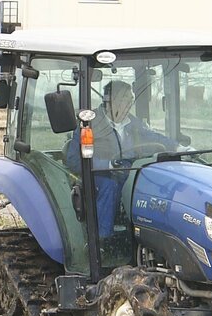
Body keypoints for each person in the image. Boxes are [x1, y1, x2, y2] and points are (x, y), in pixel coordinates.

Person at [66, 80, 187, 238]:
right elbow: (73, 160)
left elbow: (153, 137)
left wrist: (178, 148)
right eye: (125, 99)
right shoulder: (89, 123)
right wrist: (108, 164)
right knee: (110, 185)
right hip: (98, 174)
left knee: (152, 183)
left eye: (131, 99)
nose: (129, 104)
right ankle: (103, 239)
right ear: (110, 100)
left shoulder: (132, 122)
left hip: (126, 171)